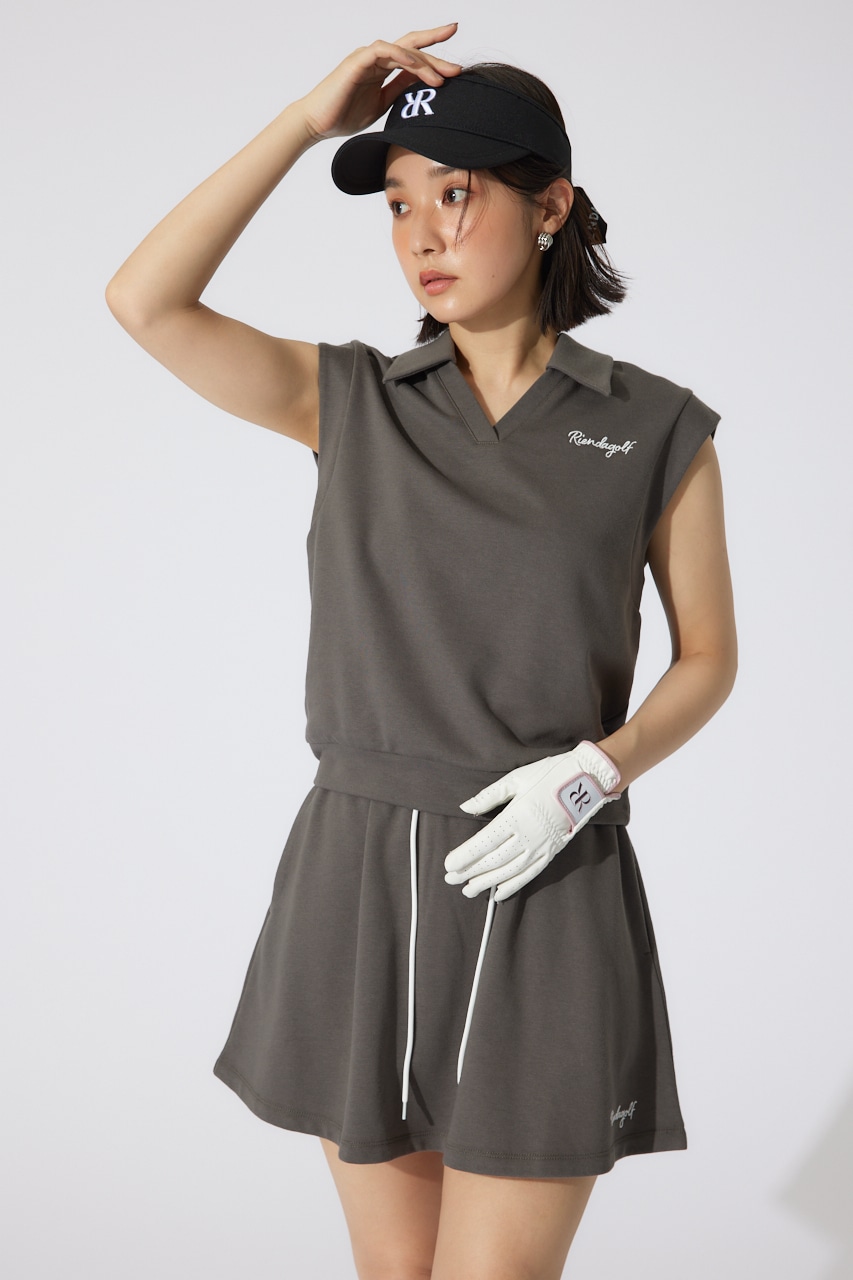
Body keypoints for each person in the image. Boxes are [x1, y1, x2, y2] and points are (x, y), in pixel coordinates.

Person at [105, 22, 737, 1280]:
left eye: (456, 194)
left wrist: (593, 775)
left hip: (544, 872)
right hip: (359, 874)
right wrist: (306, 123)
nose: (422, 235)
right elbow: (144, 301)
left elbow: (707, 657)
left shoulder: (654, 426)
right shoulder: (351, 400)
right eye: (398, 205)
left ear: (550, 206)